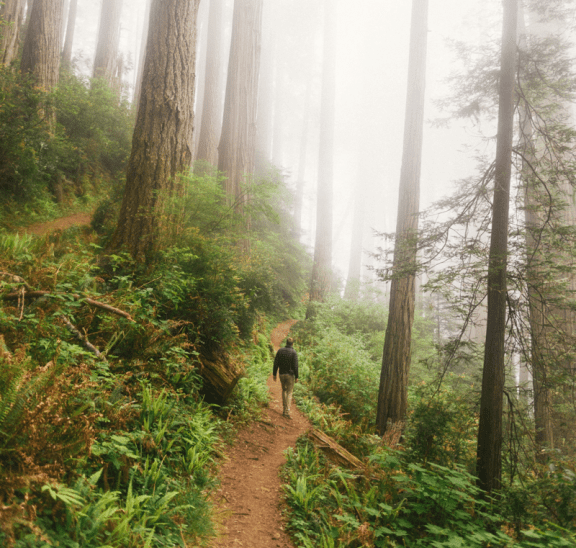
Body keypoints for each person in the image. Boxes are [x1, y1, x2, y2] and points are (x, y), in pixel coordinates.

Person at [273, 337, 298, 418]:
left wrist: (274, 374)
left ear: (286, 343)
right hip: (290, 375)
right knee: (289, 392)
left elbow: (276, 363)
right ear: (292, 344)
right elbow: (295, 366)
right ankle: (286, 412)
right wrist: (297, 376)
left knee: (284, 390)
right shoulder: (293, 352)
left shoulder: (280, 351)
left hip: (281, 374)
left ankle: (284, 409)